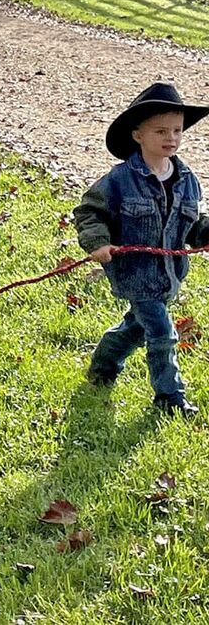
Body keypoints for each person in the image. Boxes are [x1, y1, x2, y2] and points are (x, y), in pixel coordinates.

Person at [74, 81, 209, 416]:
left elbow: (192, 222)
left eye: (177, 130)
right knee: (162, 333)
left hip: (168, 275)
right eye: (161, 131)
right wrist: (99, 242)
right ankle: (169, 398)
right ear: (138, 135)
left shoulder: (186, 179)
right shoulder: (119, 180)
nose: (171, 138)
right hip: (136, 273)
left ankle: (103, 365)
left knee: (135, 327)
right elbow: (90, 211)